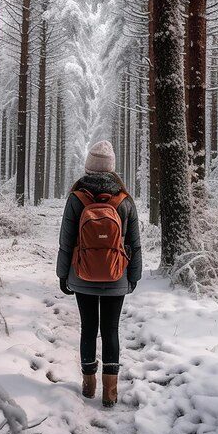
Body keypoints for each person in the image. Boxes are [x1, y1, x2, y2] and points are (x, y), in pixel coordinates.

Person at [56, 140, 142, 408]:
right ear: (112, 168)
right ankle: (110, 392)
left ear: (89, 167)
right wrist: (134, 276)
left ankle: (88, 384)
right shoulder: (124, 199)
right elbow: (135, 243)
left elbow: (66, 240)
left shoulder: (77, 198)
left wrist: (63, 275)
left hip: (82, 275)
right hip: (117, 275)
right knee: (111, 331)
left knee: (88, 330)